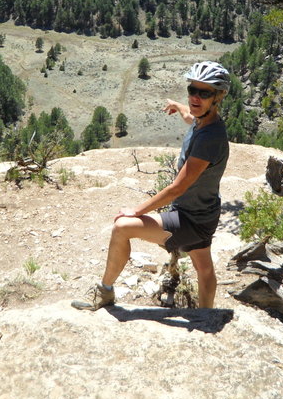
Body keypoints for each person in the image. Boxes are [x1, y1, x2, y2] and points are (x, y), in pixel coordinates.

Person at [72, 61, 231, 311]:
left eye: (204, 93)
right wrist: (178, 106)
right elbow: (191, 118)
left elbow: (177, 188)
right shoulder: (205, 122)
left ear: (219, 96)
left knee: (122, 227)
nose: (195, 98)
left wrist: (137, 212)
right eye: (192, 90)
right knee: (204, 266)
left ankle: (104, 293)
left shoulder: (210, 138)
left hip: (190, 218)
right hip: (204, 213)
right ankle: (207, 315)